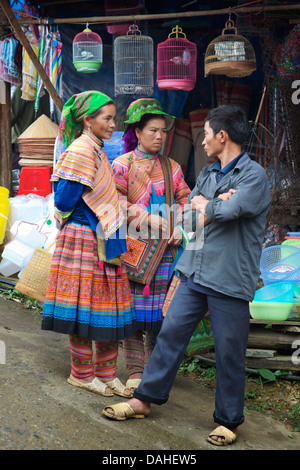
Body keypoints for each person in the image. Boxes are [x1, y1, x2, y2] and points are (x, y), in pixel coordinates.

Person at [102, 105, 271, 446]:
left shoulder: (254, 176)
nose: (203, 140)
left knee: (228, 350)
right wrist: (211, 208)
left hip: (228, 277)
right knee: (170, 337)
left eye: (207, 134)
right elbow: (189, 220)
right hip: (195, 271)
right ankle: (143, 400)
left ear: (222, 136)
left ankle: (228, 420)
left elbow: (231, 209)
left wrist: (207, 207)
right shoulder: (209, 175)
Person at [42, 90, 136, 398]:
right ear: (88, 120)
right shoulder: (83, 150)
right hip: (85, 238)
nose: (113, 124)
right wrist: (88, 216)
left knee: (104, 308)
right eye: (107, 118)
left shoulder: (95, 149)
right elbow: (65, 198)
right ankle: (81, 375)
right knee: (84, 309)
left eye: (114, 118)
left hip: (101, 237)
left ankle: (107, 375)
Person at [111, 98, 191, 392]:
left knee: (161, 315)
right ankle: (134, 370)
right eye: (153, 130)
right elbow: (115, 202)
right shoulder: (123, 164)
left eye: (163, 131)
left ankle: (155, 369)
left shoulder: (172, 167)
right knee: (133, 313)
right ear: (137, 132)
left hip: (167, 253)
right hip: (134, 252)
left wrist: (180, 227)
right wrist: (147, 218)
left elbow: (186, 200)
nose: (160, 136)